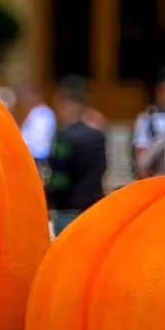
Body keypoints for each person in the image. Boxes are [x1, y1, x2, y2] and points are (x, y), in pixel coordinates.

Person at [46, 78, 109, 234]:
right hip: (92, 208)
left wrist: (48, 199)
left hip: (68, 211)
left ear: (67, 105)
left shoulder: (64, 139)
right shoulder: (97, 136)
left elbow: (60, 179)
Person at [16, 85, 56, 167]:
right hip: (30, 155)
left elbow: (37, 138)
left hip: (39, 156)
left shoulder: (43, 114)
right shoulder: (32, 113)